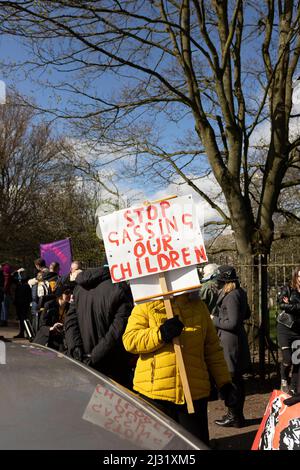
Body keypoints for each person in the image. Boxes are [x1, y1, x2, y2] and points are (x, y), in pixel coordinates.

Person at [122, 291, 237, 446]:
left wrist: (224, 383)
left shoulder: (199, 307)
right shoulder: (146, 304)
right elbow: (130, 340)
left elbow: (212, 349)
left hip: (194, 395)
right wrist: (160, 334)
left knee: (194, 446)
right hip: (155, 396)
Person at [64, 260, 134, 388]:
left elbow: (70, 321)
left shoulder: (79, 288)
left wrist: (77, 350)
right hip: (111, 367)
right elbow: (117, 330)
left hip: (84, 363)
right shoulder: (120, 288)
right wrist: (91, 356)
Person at [212, 265, 251, 428]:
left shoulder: (232, 296)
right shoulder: (239, 292)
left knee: (232, 380)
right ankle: (235, 416)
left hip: (230, 342)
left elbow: (233, 323)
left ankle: (234, 416)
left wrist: (214, 319)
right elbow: (247, 314)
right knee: (235, 380)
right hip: (234, 340)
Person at [277, 266, 300, 395]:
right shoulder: (288, 289)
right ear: (295, 276)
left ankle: (293, 387)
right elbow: (281, 304)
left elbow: (288, 306)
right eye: (299, 276)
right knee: (288, 359)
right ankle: (284, 379)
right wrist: (296, 306)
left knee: (297, 361)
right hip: (285, 327)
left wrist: (291, 305)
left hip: (298, 331)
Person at [34, 287, 71, 351]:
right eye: (67, 293)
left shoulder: (70, 307)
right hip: (48, 336)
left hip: (61, 336)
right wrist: (52, 328)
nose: (69, 295)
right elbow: (42, 325)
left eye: (70, 293)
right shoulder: (49, 305)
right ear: (60, 295)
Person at [12, 268, 32, 339]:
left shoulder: (28, 281)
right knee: (21, 318)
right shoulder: (19, 281)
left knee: (24, 318)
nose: (20, 275)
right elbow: (12, 278)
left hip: (24, 302)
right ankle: (22, 333)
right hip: (19, 302)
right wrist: (16, 272)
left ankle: (28, 333)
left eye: (22, 273)